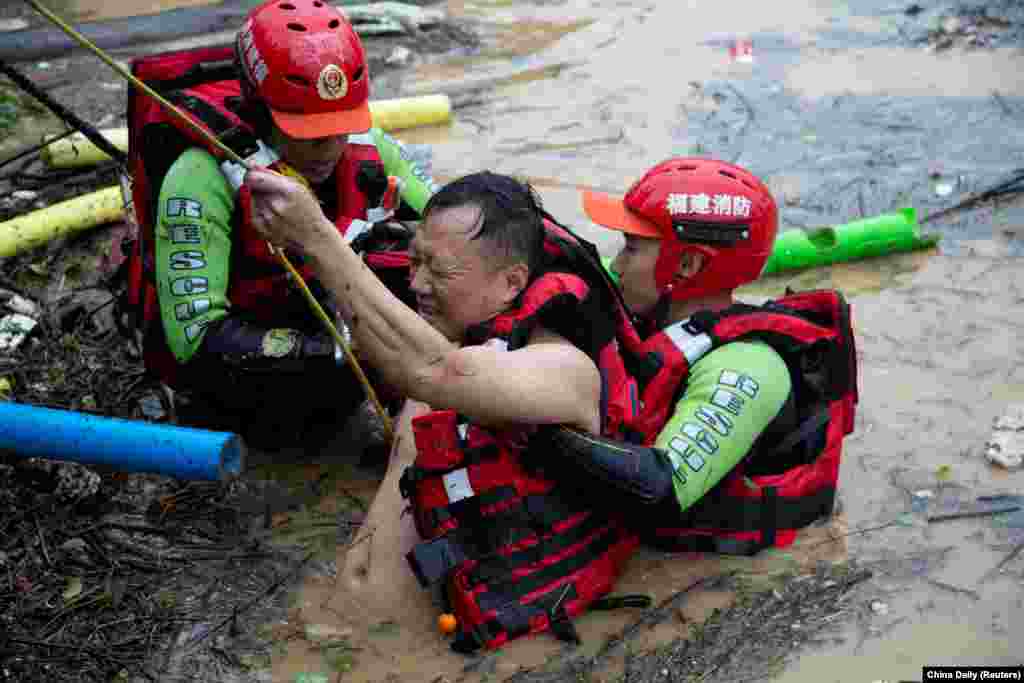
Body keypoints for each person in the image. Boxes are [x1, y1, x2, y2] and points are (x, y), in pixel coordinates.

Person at [243, 169, 641, 651]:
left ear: (513, 281)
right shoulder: (443, 339)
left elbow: (438, 373)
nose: (417, 283)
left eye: (440, 271)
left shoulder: (564, 369)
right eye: (415, 263)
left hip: (427, 658)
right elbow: (410, 355)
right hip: (355, 638)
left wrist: (317, 237)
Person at [122, 0, 435, 449]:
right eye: (308, 131)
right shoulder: (198, 178)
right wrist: (341, 354)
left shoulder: (369, 147)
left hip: (351, 345)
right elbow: (193, 341)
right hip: (248, 391)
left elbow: (453, 226)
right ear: (261, 109)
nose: (330, 147)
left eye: (341, 124)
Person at [566, 157, 858, 554]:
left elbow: (657, 490)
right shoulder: (656, 327)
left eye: (632, 249)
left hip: (745, 569)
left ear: (687, 264)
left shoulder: (747, 367)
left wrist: (541, 432)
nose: (616, 265)